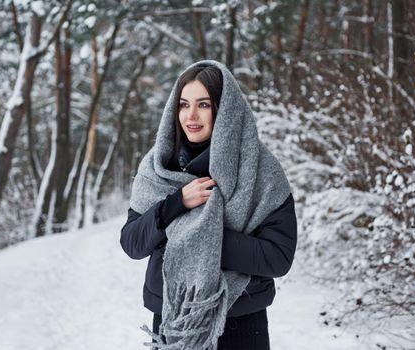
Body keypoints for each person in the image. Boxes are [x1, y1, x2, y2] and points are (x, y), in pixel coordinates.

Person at [120, 60, 297, 350]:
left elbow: (278, 257)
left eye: (203, 104)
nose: (191, 115)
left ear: (225, 110)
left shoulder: (261, 171)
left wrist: (199, 238)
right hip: (173, 321)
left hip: (241, 321)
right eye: (183, 104)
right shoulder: (157, 167)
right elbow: (132, 243)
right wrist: (176, 205)